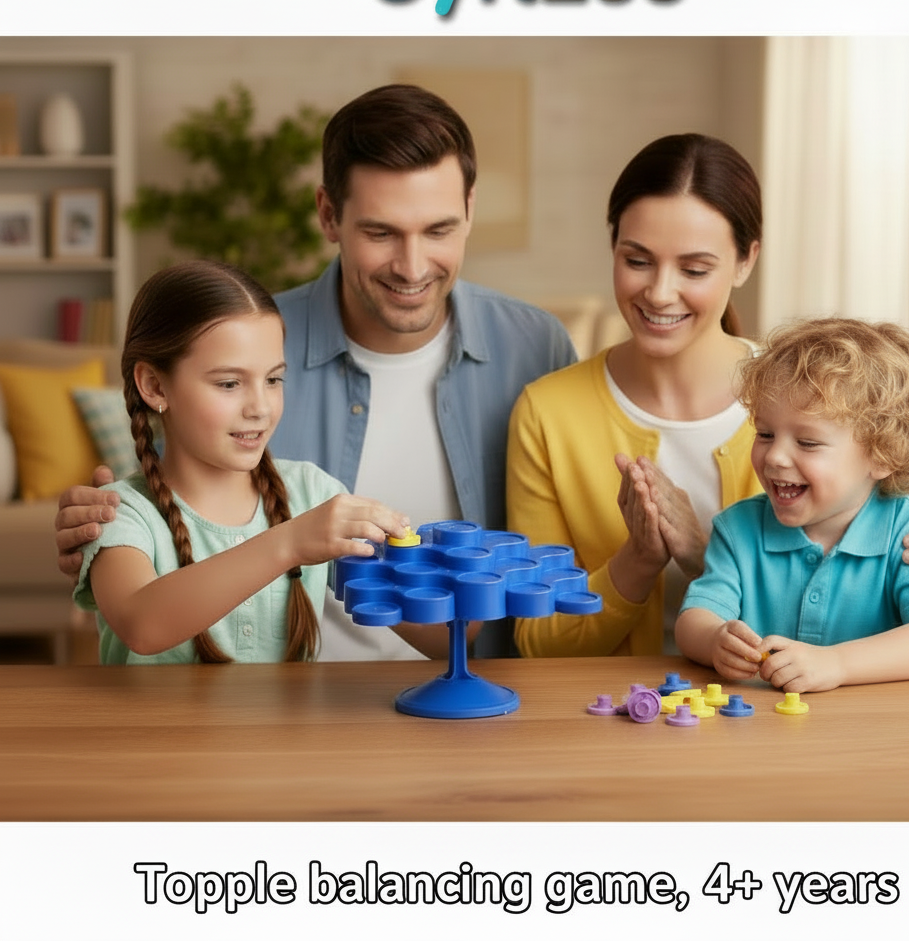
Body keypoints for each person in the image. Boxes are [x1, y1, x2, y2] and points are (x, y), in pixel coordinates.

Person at [55, 84, 577, 660]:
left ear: (471, 211)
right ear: (329, 214)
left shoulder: (537, 348)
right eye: (381, 232)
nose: (412, 266)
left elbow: (448, 625)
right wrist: (96, 528)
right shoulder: (257, 334)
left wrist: (467, 572)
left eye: (439, 229)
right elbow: (162, 504)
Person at [508, 133, 909, 659]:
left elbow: (905, 581)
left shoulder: (815, 395)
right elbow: (537, 643)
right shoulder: (547, 413)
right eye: (638, 260)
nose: (661, 292)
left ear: (745, 260)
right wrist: (640, 559)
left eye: (694, 269)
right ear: (613, 248)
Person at [73, 261, 409, 664]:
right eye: (229, 383)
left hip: (288, 731)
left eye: (273, 379)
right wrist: (290, 542)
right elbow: (141, 625)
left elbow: (437, 628)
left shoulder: (313, 493)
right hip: (156, 730)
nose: (260, 408)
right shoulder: (120, 513)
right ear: (154, 385)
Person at [675, 317, 909, 691]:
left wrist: (838, 664)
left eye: (808, 442)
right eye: (765, 434)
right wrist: (714, 640)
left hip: (875, 734)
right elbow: (694, 619)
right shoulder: (738, 530)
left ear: (882, 455)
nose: (775, 457)